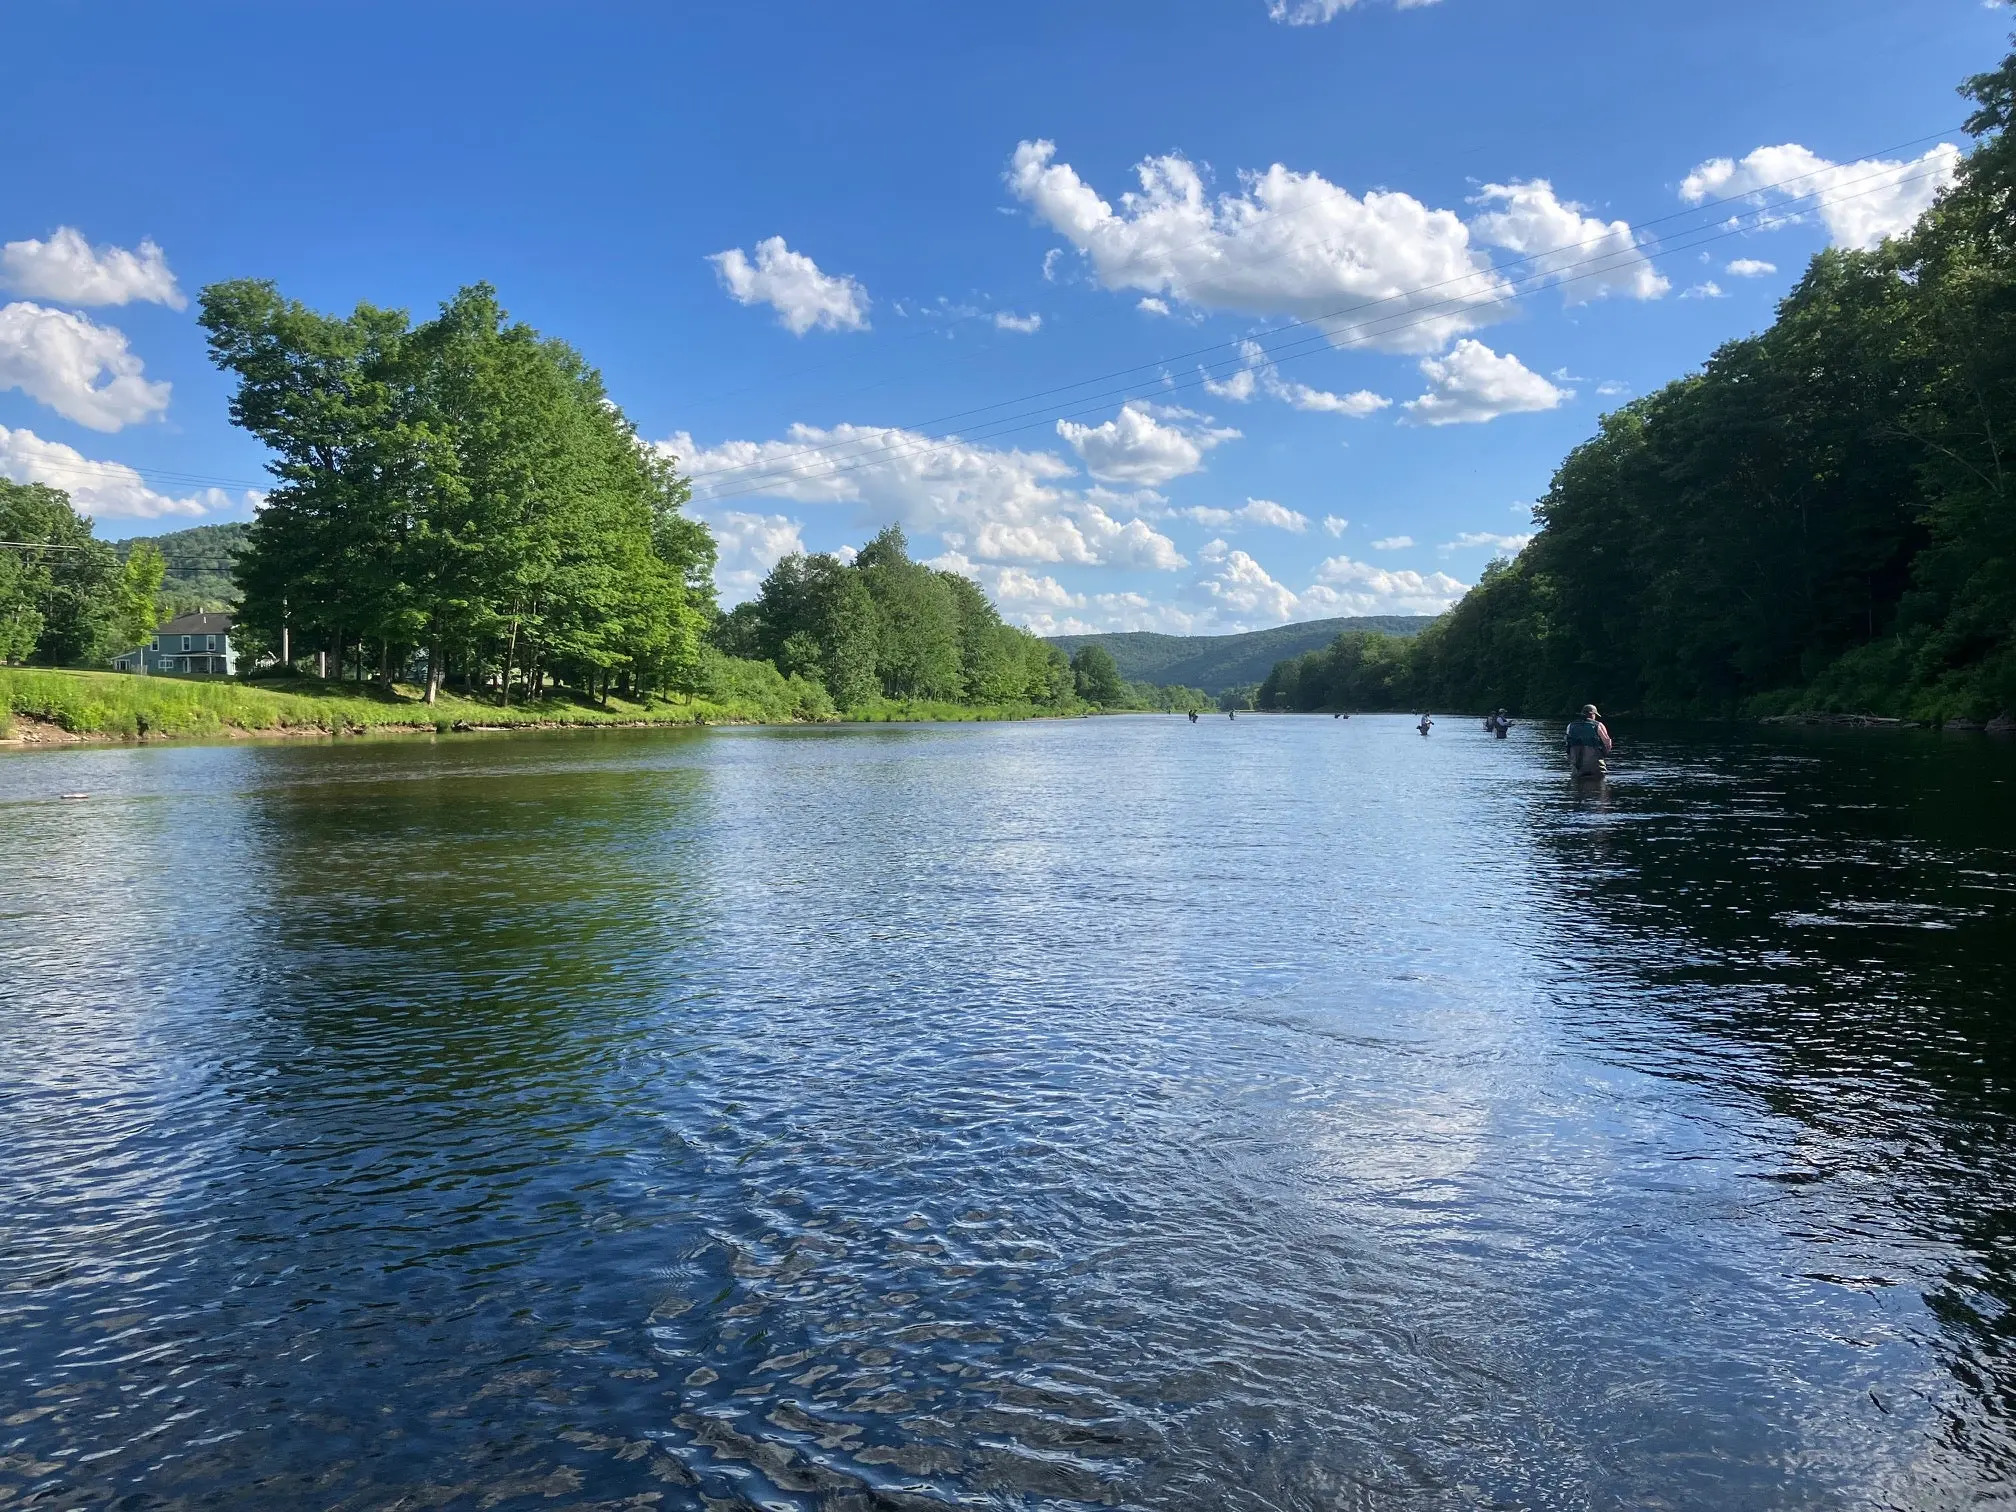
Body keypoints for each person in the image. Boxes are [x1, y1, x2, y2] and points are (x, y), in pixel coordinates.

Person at [1564, 703, 1612, 775]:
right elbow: (1607, 743)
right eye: (1595, 715)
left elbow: (1567, 743)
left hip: (1577, 764)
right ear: (1592, 714)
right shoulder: (1598, 725)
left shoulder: (1571, 725)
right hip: (1595, 762)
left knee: (1576, 782)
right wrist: (1604, 754)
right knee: (1599, 782)